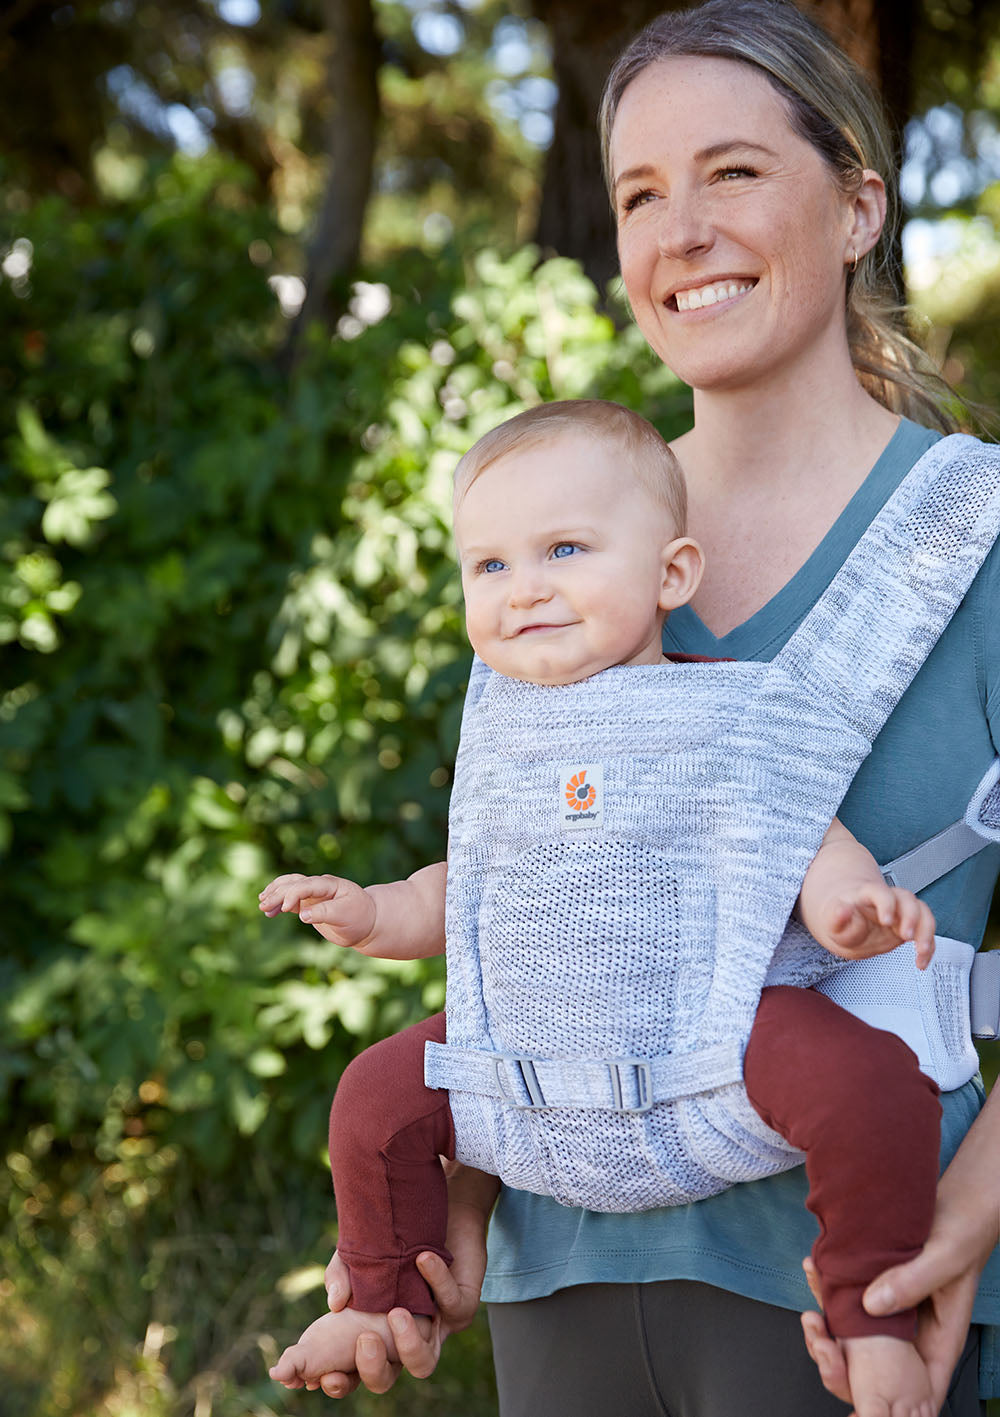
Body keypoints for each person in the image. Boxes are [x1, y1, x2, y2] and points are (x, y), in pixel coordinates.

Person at [274, 3, 1000, 1413]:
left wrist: (970, 1209)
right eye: (640, 195)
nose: (683, 230)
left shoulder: (972, 541)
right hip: (565, 1297)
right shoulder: (560, 539)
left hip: (871, 1316)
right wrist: (463, 1173)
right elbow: (546, 895)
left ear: (859, 207)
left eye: (732, 172)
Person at [261, 399, 948, 1417]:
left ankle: (869, 1314)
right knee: (372, 1099)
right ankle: (378, 1296)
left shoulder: (734, 706)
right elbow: (470, 892)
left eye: (563, 550)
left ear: (672, 573)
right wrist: (372, 912)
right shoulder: (503, 728)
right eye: (487, 566)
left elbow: (798, 830)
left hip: (714, 1040)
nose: (522, 588)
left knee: (871, 1085)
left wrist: (848, 905)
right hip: (527, 1057)